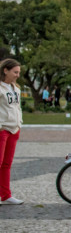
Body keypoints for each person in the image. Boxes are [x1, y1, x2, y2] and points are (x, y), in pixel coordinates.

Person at [0, 59, 25, 205]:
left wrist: (19, 123)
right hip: (3, 130)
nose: (17, 75)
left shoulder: (16, 89)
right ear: (5, 71)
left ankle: (6, 194)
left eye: (19, 72)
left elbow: (17, 108)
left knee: (7, 164)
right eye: (15, 72)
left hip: (14, 129)